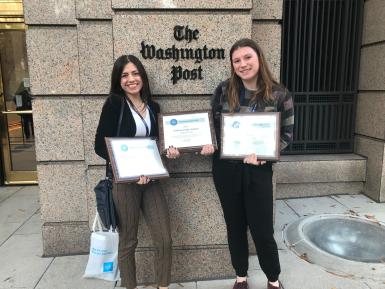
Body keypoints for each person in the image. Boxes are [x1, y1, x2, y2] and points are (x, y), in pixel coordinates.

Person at [210, 38, 294, 289]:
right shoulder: (224, 90)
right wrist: (205, 143)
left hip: (258, 170)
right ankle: (241, 276)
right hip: (226, 170)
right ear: (232, 64)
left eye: (248, 57)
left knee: (262, 230)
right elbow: (213, 130)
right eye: (237, 60)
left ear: (259, 58)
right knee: (234, 226)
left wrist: (266, 154)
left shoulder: (280, 94)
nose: (243, 64)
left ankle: (272, 278)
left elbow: (287, 137)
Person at [94, 55, 180, 289]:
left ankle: (163, 285)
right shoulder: (114, 104)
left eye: (135, 73)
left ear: (142, 76)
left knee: (164, 239)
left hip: (151, 181)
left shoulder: (153, 107)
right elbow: (100, 146)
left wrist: (169, 151)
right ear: (118, 80)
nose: (131, 79)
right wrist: (129, 169)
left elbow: (158, 143)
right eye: (124, 75)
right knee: (128, 241)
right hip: (125, 184)